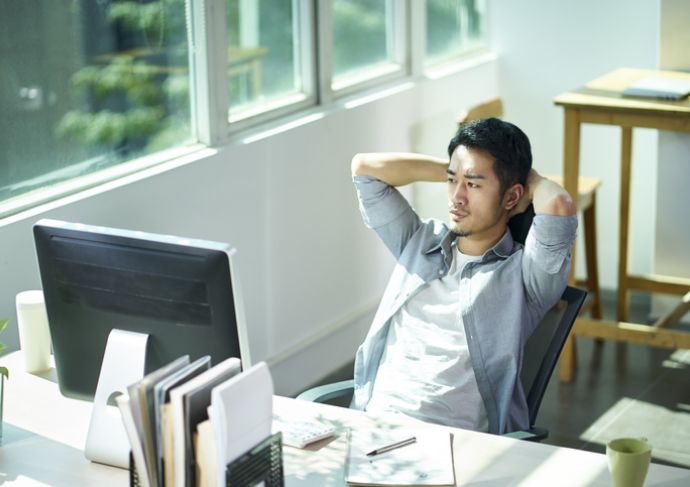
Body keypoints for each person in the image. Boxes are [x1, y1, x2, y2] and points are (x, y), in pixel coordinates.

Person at [350, 117, 577, 434]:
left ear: (512, 197)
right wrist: (460, 169)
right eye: (451, 181)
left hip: (452, 443)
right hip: (373, 425)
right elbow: (365, 168)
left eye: (473, 185)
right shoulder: (418, 242)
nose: (456, 197)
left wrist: (528, 180)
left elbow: (559, 203)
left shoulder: (525, 279)